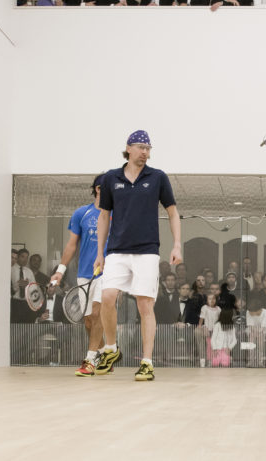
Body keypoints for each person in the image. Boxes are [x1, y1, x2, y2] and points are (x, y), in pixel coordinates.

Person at [94, 130, 183, 382]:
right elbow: (104, 216)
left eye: (148, 148)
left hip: (146, 251)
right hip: (117, 250)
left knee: (145, 305)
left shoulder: (157, 178)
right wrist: (99, 252)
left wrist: (176, 244)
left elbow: (173, 213)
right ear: (128, 148)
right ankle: (111, 349)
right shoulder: (111, 178)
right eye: (140, 147)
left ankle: (146, 362)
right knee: (107, 297)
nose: (145, 152)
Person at [49, 174, 108, 376]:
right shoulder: (81, 213)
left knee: (98, 313)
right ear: (98, 189)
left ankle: (90, 360)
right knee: (89, 320)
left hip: (107, 274)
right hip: (84, 274)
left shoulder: (116, 215)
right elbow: (71, 245)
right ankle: (103, 352)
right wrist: (60, 271)